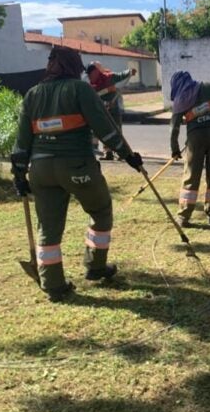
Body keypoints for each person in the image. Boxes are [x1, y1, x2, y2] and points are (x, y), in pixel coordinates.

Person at [11, 46, 144, 302]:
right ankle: (95, 267)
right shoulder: (79, 89)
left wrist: (18, 174)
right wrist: (127, 155)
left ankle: (53, 284)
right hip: (77, 166)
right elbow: (104, 126)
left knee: (48, 228)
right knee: (101, 211)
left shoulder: (32, 95)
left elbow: (21, 141)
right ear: (73, 66)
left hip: (41, 170)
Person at [169, 70, 210, 227]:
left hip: (195, 138)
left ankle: (183, 216)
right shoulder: (208, 86)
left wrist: (175, 149)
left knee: (191, 176)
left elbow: (174, 128)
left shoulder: (180, 99)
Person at [85, 62, 136, 161]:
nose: (89, 77)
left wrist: (130, 72)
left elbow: (121, 75)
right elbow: (93, 98)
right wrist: (106, 97)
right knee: (105, 131)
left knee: (117, 131)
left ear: (96, 72)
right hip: (102, 111)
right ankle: (108, 153)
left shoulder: (109, 77)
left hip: (114, 110)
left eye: (90, 74)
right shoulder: (91, 86)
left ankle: (123, 153)